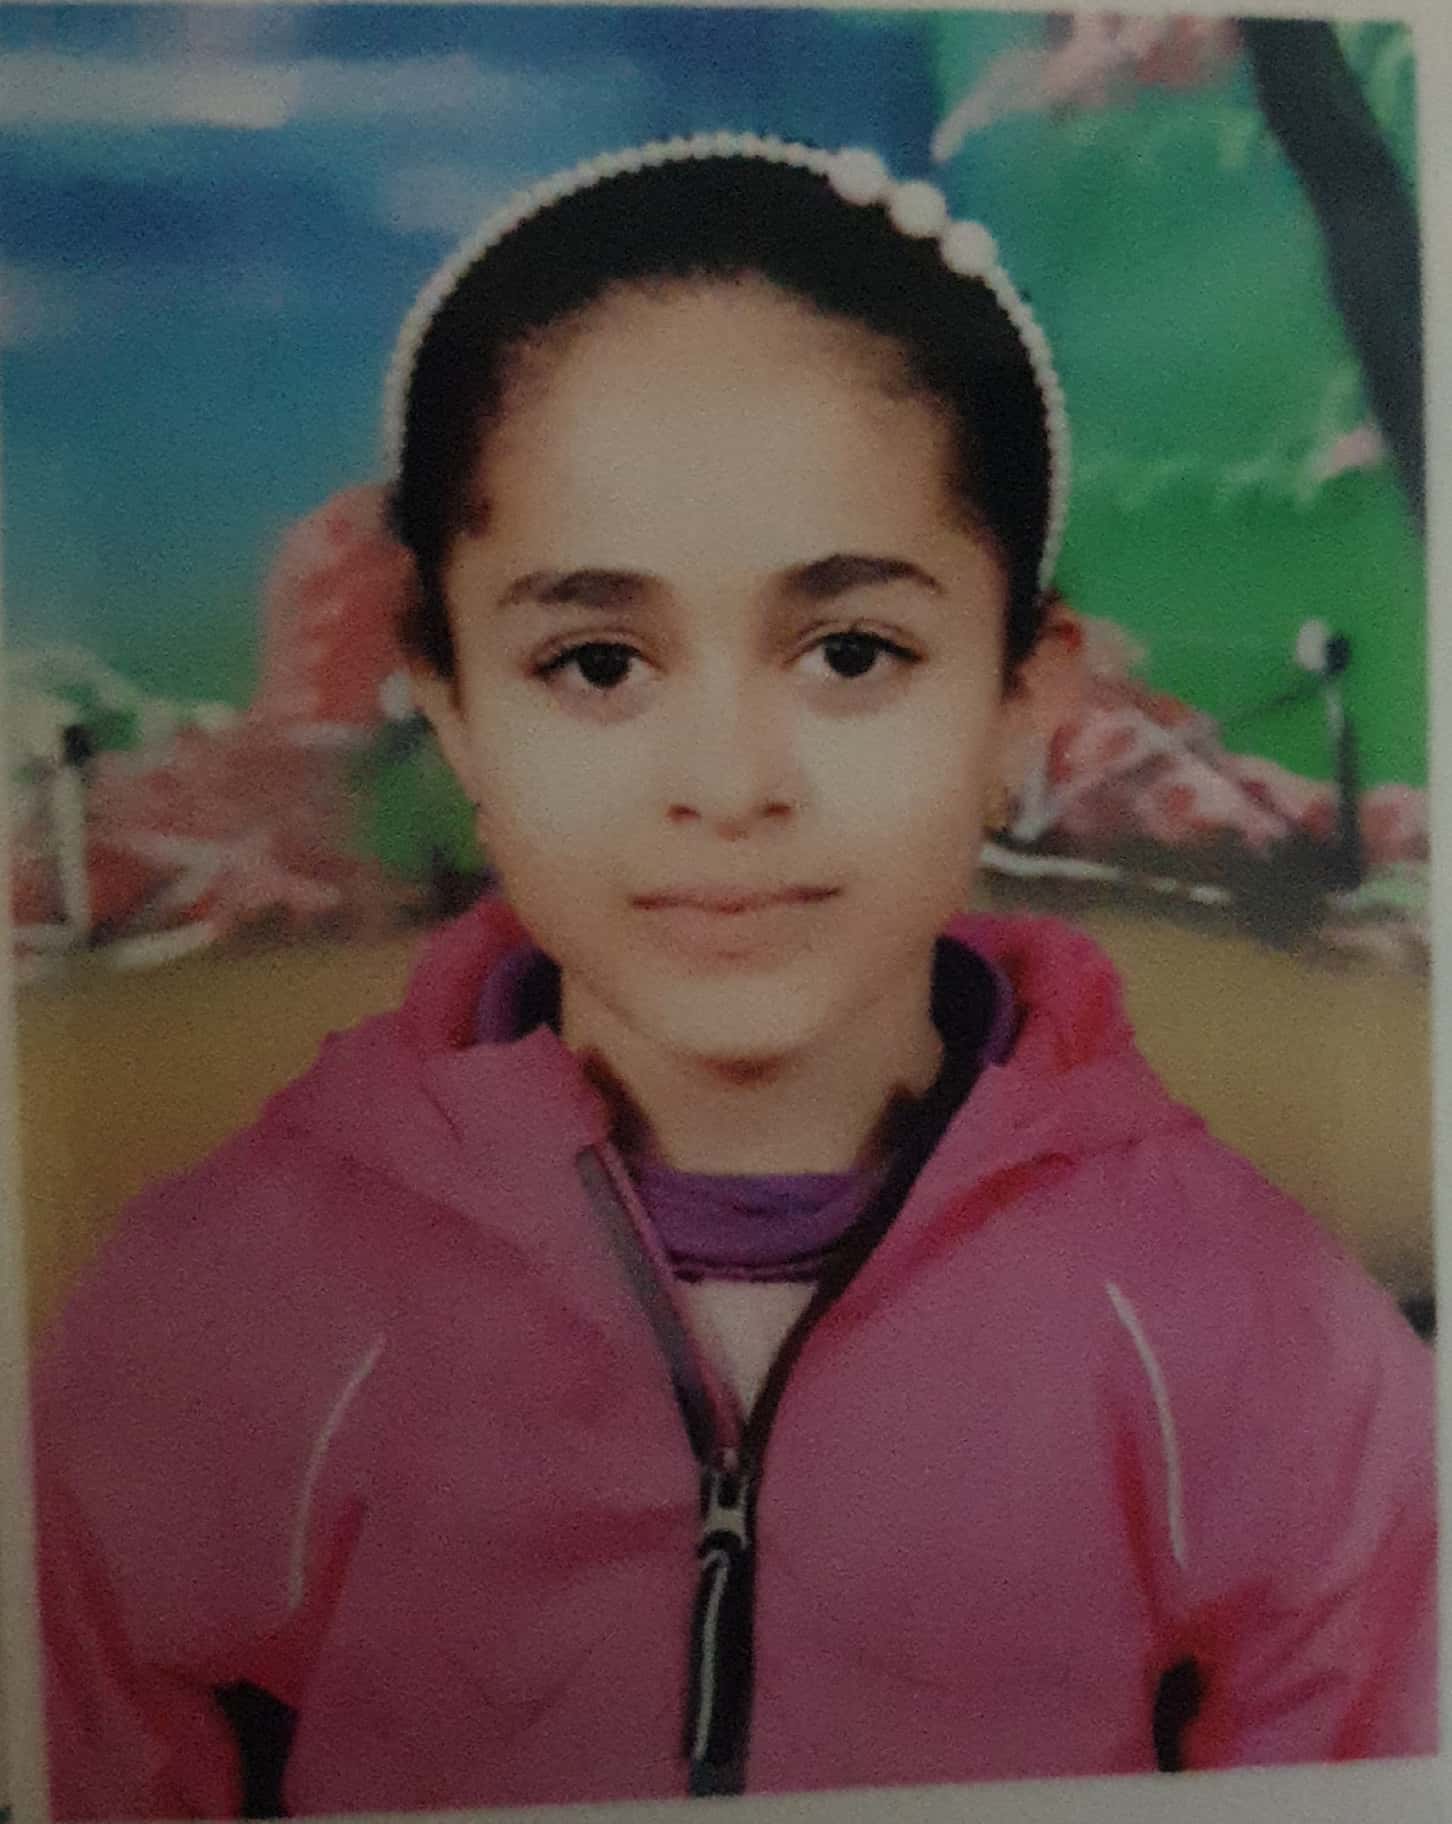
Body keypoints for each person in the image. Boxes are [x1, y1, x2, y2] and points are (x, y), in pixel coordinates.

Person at [30, 134, 1435, 1819]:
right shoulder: (209, 1325)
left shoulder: (1263, 1342)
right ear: (454, 704)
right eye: (595, 662)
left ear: (1023, 696)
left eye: (851, 651)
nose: (729, 782)